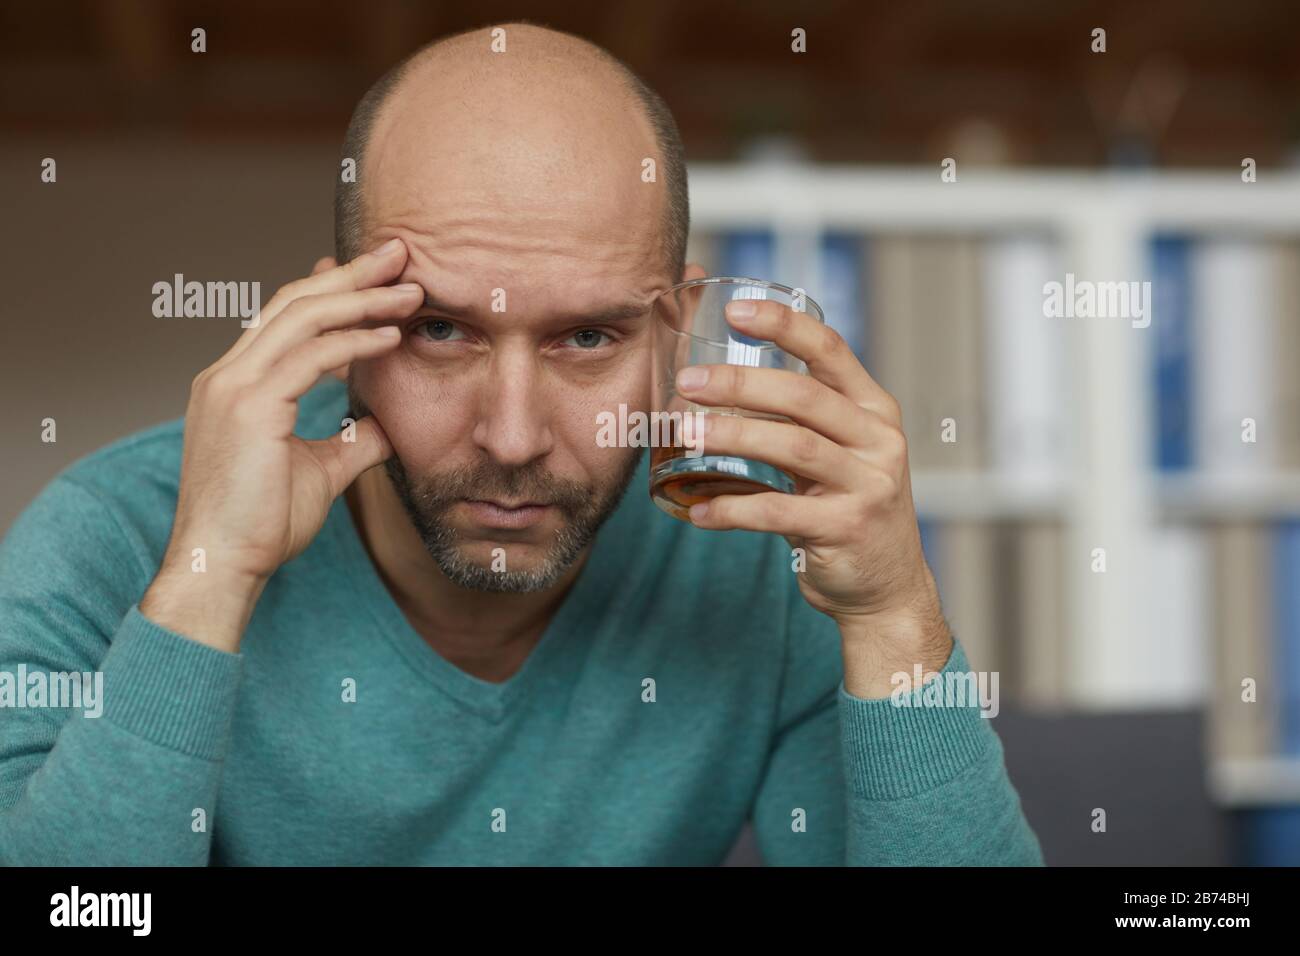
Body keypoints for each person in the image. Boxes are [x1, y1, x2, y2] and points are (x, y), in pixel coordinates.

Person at [0, 21, 1042, 865]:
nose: (510, 435)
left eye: (587, 337)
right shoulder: (108, 538)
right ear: (335, 323)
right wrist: (206, 577)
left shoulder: (765, 555)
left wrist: (898, 622)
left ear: (671, 339)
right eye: (441, 330)